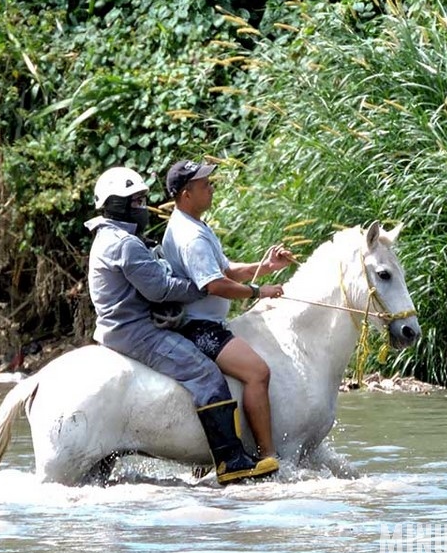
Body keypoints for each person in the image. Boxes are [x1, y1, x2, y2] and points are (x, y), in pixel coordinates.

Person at [85, 166, 277, 485]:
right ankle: (231, 461)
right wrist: (204, 286)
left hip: (125, 325)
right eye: (136, 202)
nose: (143, 208)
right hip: (135, 331)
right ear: (117, 205)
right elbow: (160, 289)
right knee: (206, 374)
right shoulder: (124, 243)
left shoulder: (115, 237)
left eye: (143, 200)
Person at [161, 159, 295, 468]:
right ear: (186, 194)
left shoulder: (195, 225)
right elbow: (215, 285)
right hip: (200, 328)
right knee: (258, 372)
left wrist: (265, 267)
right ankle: (267, 456)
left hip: (209, 323)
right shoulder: (191, 237)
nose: (211, 188)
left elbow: (226, 269)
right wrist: (259, 291)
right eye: (204, 185)